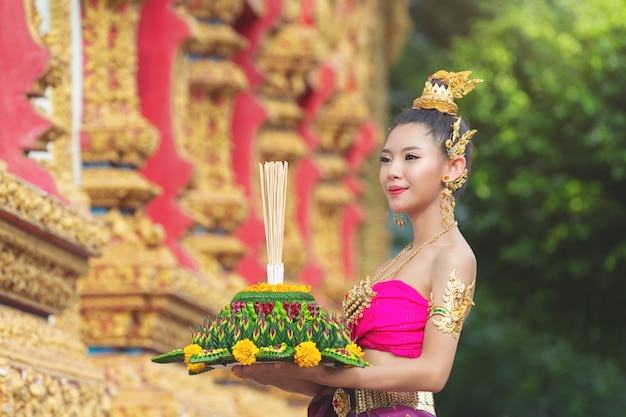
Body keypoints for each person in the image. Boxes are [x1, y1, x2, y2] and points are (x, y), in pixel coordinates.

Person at [232, 70, 482, 417]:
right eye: (385, 159)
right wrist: (281, 373)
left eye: (410, 157)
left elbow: (433, 372)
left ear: (452, 168)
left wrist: (324, 373)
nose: (392, 171)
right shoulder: (394, 263)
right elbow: (348, 380)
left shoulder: (453, 256)